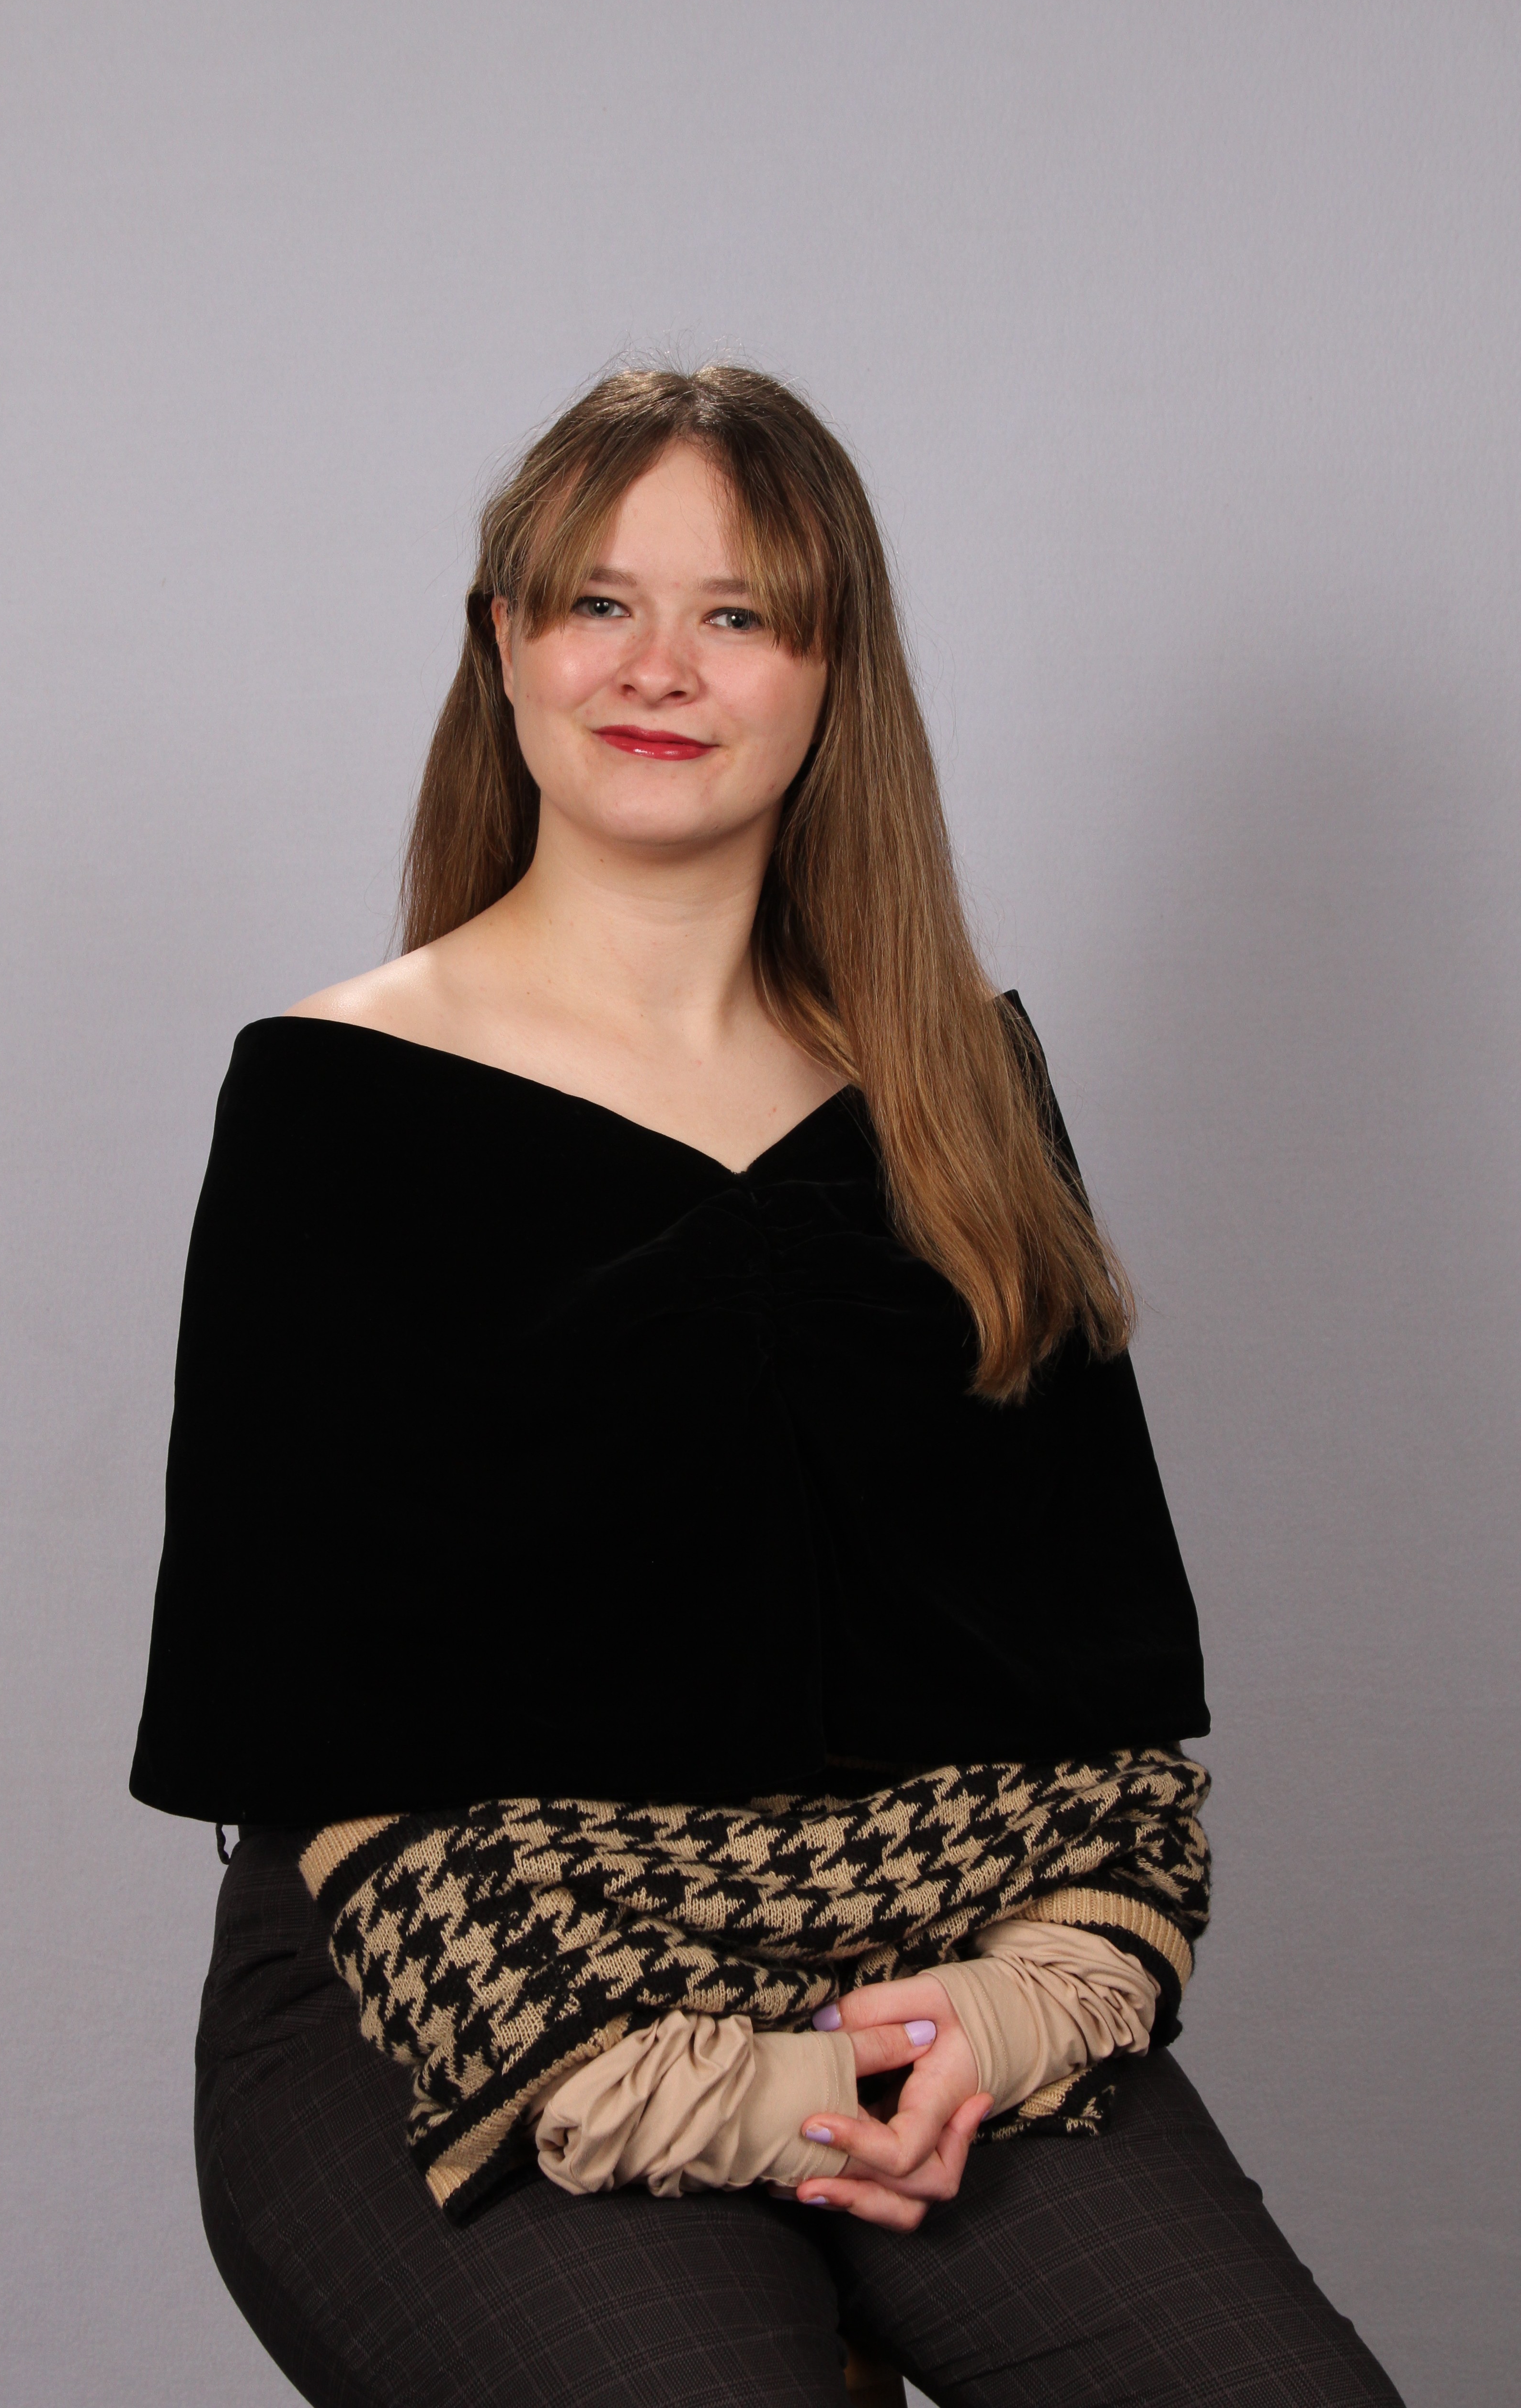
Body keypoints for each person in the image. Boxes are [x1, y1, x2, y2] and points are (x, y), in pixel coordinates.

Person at [131, 365, 1402, 2405]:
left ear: (831, 672)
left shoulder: (961, 1091)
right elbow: (327, 1745)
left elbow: (1096, 1687)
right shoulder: (337, 1102)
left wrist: (1009, 2015)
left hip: (931, 1969)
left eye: (737, 613)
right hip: (451, 2005)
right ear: (503, 644)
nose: (658, 667)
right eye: (597, 603)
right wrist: (755, 2094)